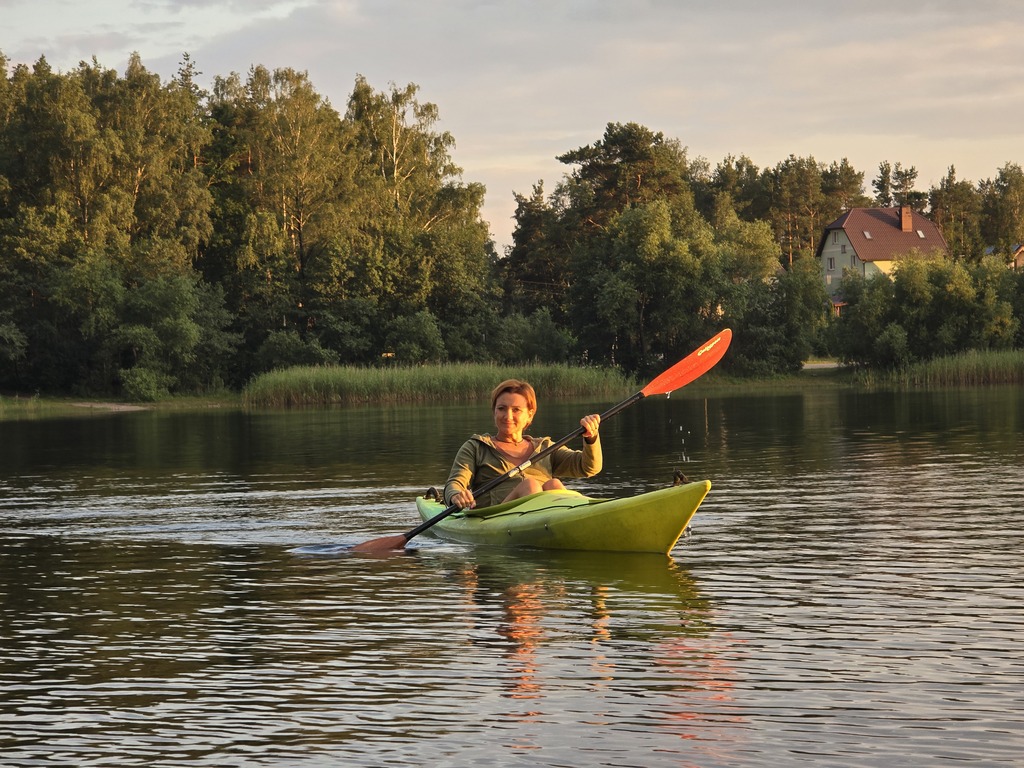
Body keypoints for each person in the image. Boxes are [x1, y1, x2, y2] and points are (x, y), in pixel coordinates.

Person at [444, 379, 602, 510]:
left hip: (548, 516)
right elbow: (455, 483)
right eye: (501, 409)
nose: (508, 416)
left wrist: (591, 437)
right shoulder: (476, 447)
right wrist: (456, 495)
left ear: (530, 415)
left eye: (516, 410)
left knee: (554, 484)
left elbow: (588, 467)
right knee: (530, 486)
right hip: (495, 519)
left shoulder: (546, 448)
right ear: (494, 412)